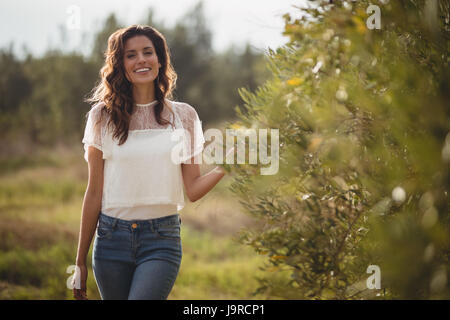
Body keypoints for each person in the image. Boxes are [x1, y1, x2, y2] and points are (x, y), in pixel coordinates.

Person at [72, 25, 231, 300]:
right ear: (120, 64)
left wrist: (227, 166)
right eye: (131, 55)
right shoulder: (101, 117)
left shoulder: (184, 116)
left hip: (161, 239)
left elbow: (192, 189)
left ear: (160, 59)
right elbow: (94, 192)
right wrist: (79, 262)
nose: (141, 60)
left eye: (148, 52)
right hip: (111, 239)